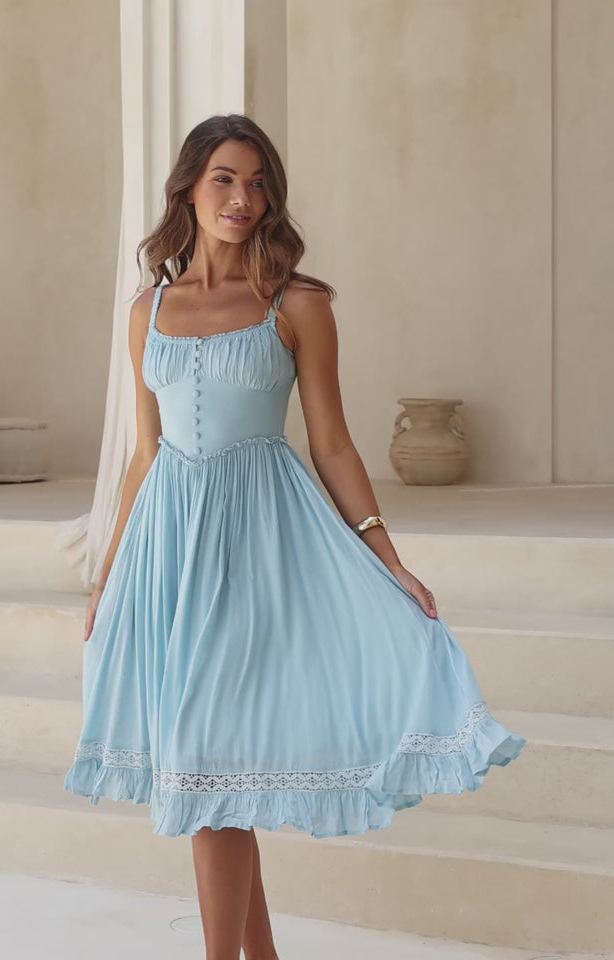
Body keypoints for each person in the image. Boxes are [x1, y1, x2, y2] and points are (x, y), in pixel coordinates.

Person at [65, 113, 525, 960]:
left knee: (206, 761)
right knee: (218, 770)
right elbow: (143, 456)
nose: (243, 199)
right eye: (224, 181)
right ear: (190, 190)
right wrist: (110, 576)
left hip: (262, 546)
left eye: (258, 182)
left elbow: (334, 443)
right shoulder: (147, 310)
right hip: (171, 548)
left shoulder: (298, 304)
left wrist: (389, 558)